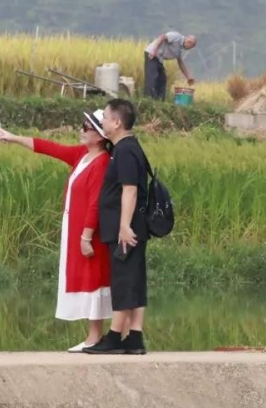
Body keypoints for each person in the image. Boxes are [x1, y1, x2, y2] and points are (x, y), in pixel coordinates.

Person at [0, 110, 113, 352]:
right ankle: (92, 337)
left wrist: (86, 236)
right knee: (84, 278)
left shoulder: (101, 162)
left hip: (87, 232)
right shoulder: (83, 155)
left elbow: (96, 202)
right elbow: (49, 147)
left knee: (93, 279)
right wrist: (14, 138)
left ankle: (94, 337)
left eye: (87, 127)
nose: (82, 130)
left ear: (101, 136)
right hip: (76, 228)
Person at [83, 99, 149, 356]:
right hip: (130, 227)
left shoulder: (125, 150)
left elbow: (129, 190)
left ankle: (114, 336)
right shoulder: (125, 148)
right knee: (132, 280)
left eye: (106, 118)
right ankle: (134, 336)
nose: (103, 122)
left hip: (126, 228)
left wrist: (123, 225)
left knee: (123, 281)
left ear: (117, 122)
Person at [143, 32, 196, 101]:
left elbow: (180, 63)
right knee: (152, 77)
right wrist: (154, 50)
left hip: (159, 58)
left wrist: (188, 77)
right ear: (189, 42)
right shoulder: (176, 36)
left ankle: (159, 100)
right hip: (152, 54)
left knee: (162, 79)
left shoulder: (179, 49)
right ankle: (148, 99)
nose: (189, 49)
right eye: (190, 47)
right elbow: (162, 37)